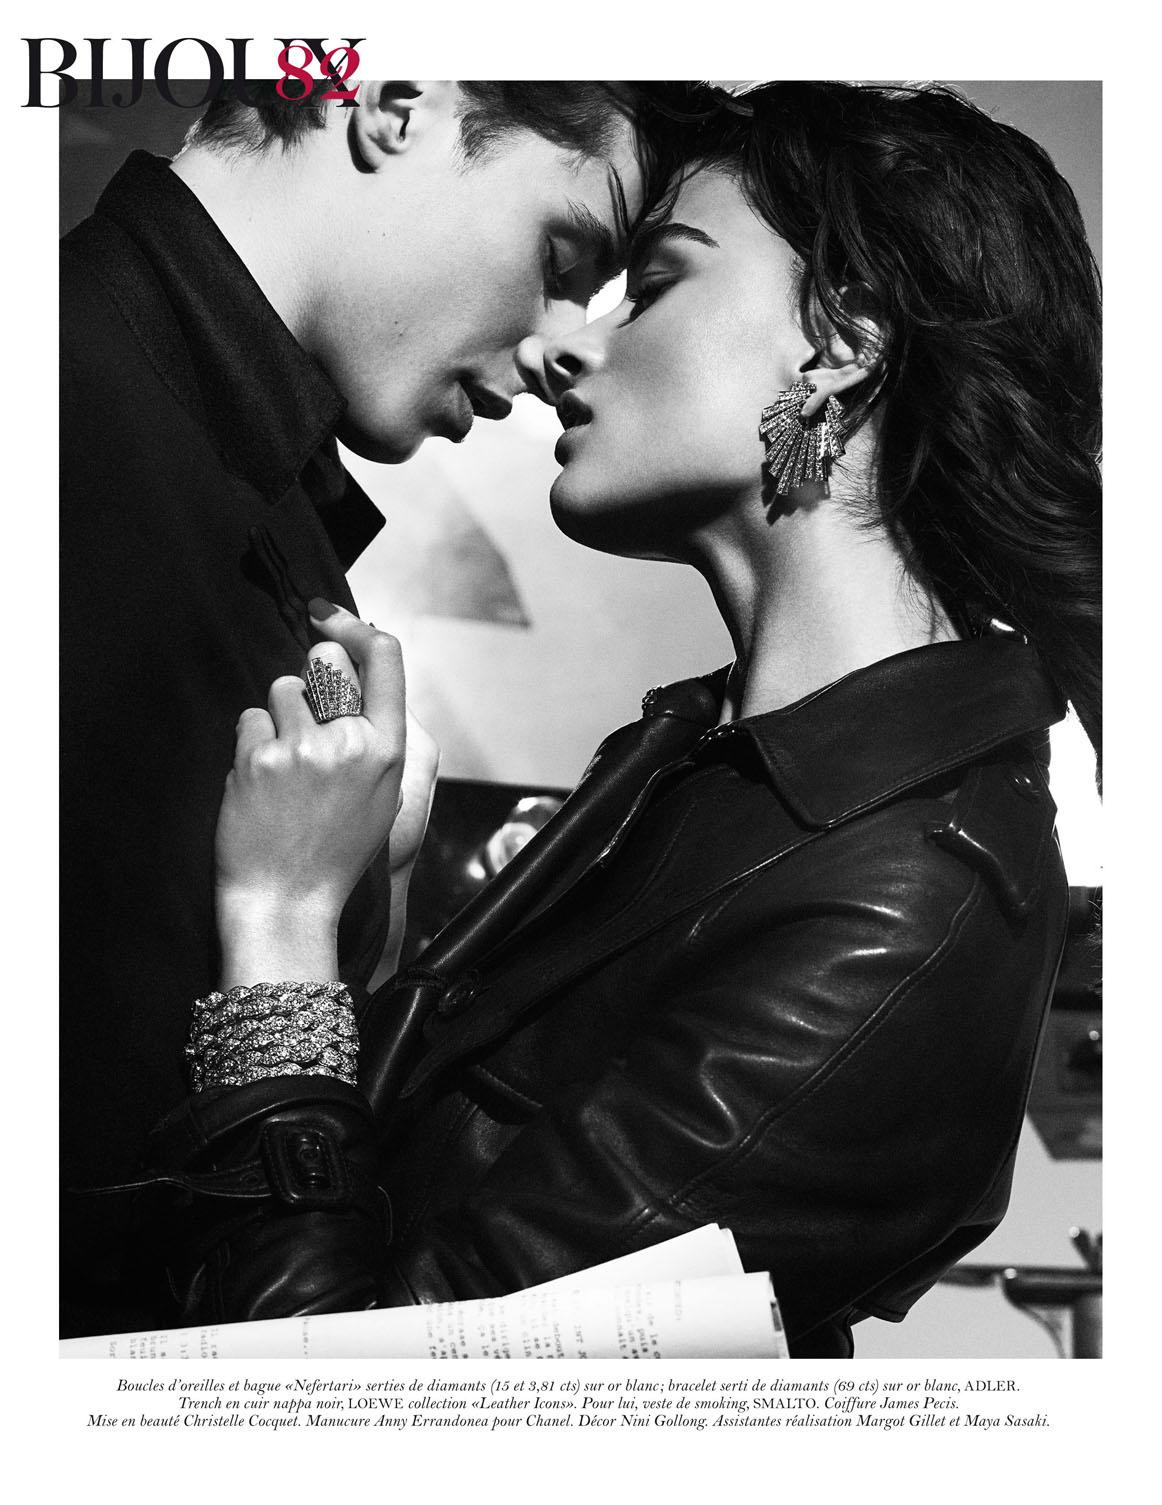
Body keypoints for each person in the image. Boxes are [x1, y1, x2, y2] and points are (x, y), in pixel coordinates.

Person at [137, 82, 1100, 1358]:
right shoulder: (703, 756)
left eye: (650, 286)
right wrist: (379, 903)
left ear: (840, 342)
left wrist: (280, 924)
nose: (565, 349)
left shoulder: (896, 915)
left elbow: (338, 1397)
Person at [59, 80, 711, 1338]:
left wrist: (371, 896)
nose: (557, 350)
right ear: (398, 102)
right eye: (562, 258)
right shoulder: (61, 402)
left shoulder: (240, 477)